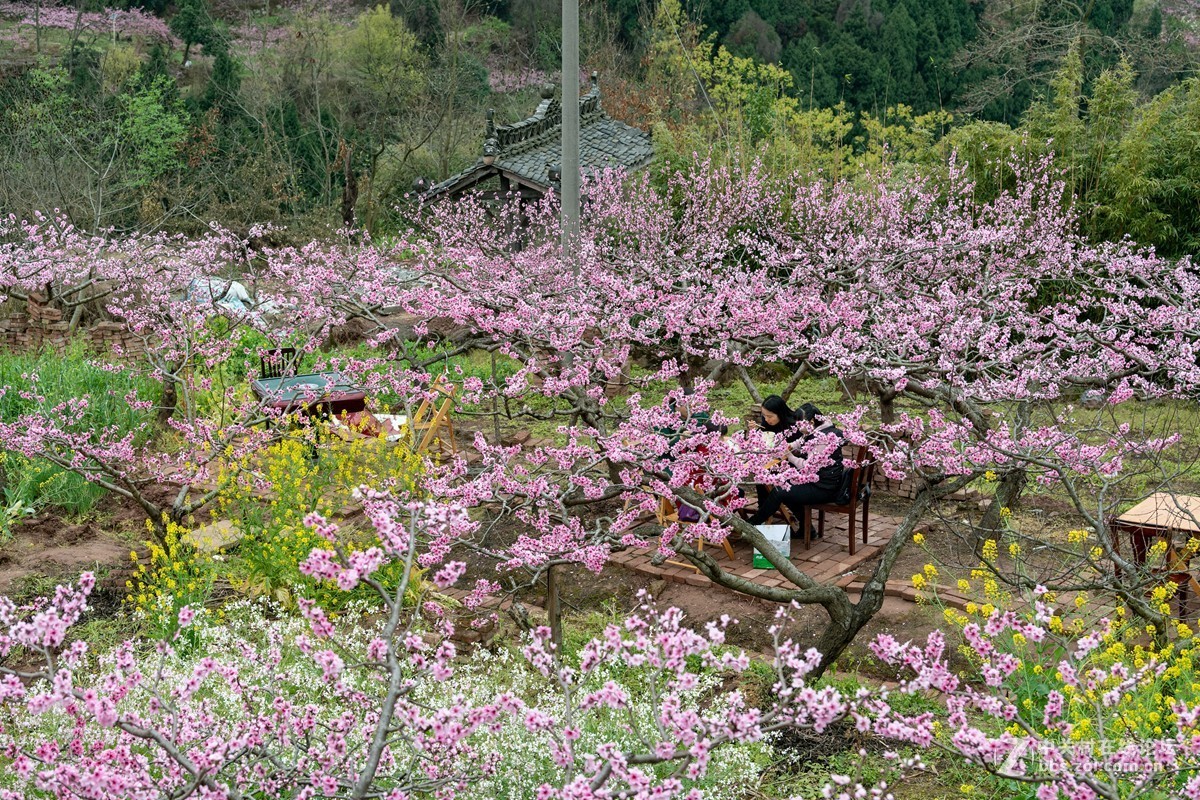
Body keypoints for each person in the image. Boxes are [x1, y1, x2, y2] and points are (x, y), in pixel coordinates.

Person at [747, 401, 844, 539]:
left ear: (810, 422)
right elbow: (801, 442)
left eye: (800, 424)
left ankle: (752, 524)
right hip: (820, 480)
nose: (798, 428)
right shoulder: (817, 428)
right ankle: (807, 530)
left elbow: (808, 467)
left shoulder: (823, 439)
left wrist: (790, 457)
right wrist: (787, 447)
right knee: (785, 487)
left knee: (781, 490)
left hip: (824, 487)